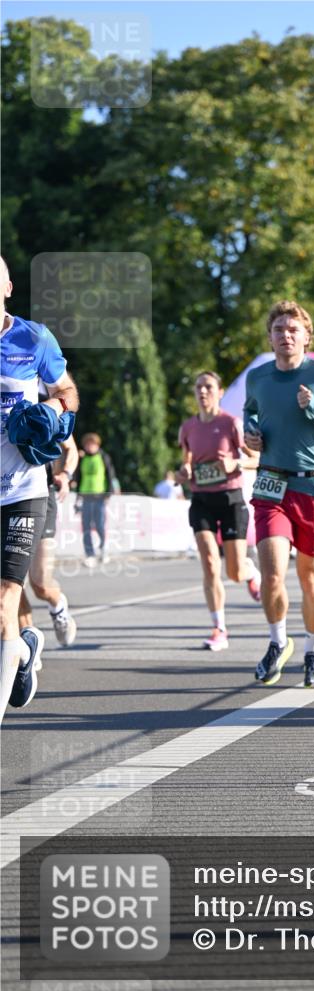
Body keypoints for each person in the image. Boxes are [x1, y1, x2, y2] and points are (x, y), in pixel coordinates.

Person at [244, 301, 314, 687]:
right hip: (271, 484)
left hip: (313, 485)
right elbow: (250, 412)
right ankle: (278, 642)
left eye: (293, 329)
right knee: (272, 572)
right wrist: (251, 432)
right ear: (270, 337)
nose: (286, 335)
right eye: (279, 329)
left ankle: (313, 651)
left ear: (307, 337)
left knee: (310, 578)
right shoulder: (258, 377)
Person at [1, 254, 79, 722]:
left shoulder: (33, 338)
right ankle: (24, 652)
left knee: (10, 591)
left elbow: (67, 393)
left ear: (8, 287)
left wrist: (53, 411)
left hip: (23, 487)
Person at [177, 371, 262, 652]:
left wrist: (235, 464)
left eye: (209, 387)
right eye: (199, 387)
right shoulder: (188, 427)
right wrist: (184, 471)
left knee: (234, 571)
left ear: (220, 391)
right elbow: (186, 462)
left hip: (230, 499)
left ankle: (251, 574)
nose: (203, 391)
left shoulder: (231, 424)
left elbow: (255, 458)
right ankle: (219, 629)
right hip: (201, 498)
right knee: (210, 565)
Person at [18, 435, 79, 647]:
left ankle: (58, 606)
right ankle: (26, 645)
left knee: (40, 583)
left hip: (40, 495)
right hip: (4, 497)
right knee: (9, 583)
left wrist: (65, 474)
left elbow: (70, 448)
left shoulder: (47, 403)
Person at [72, 433, 119, 567]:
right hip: (85, 496)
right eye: (87, 444)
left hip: (99, 496)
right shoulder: (83, 459)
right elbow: (79, 477)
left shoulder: (104, 457)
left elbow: (110, 475)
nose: (89, 447)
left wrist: (108, 493)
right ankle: (90, 554)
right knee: (86, 526)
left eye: (91, 444)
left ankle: (103, 549)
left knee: (99, 525)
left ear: (97, 445)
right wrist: (77, 495)